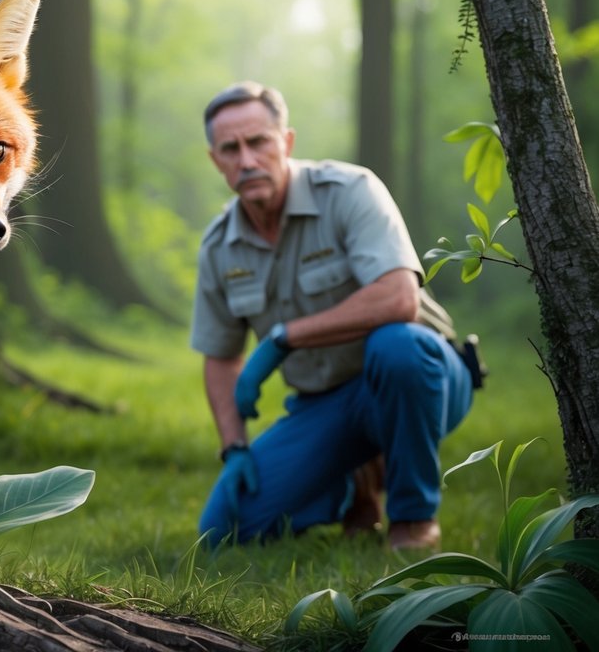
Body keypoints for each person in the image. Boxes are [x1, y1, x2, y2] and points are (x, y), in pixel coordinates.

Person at [190, 81, 474, 550]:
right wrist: (234, 445)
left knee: (397, 346)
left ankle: (413, 520)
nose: (246, 160)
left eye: (258, 141)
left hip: (425, 380)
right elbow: (220, 357)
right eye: (230, 148)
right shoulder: (219, 245)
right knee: (225, 528)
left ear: (286, 141)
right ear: (215, 159)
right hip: (327, 403)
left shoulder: (350, 190)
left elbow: (397, 298)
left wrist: (284, 338)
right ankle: (352, 486)